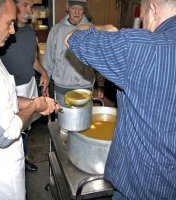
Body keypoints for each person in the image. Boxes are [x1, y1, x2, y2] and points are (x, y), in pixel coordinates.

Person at [65, 0, 176, 199]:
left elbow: (73, 37)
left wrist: (104, 28)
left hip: (143, 186)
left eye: (143, 18)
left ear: (154, 8)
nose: (143, 25)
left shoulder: (141, 47)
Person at [0, 0, 59, 199]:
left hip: (1, 165)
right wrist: (32, 109)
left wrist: (33, 103)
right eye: (8, 23)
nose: (13, 30)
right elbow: (2, 135)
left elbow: (6, 98)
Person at [0, 0, 49, 172]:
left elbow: (31, 59)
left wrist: (44, 72)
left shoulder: (29, 31)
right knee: (13, 130)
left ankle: (23, 158)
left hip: (30, 85)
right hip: (11, 91)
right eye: (26, 5)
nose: (30, 11)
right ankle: (14, 165)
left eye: (31, 6)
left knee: (27, 127)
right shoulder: (2, 32)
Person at [42, 0, 105, 105]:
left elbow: (99, 60)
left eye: (80, 9)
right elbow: (48, 60)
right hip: (61, 87)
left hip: (85, 88)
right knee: (63, 120)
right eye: (73, 8)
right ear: (67, 7)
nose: (76, 12)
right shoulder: (56, 30)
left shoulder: (92, 30)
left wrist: (101, 85)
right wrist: (45, 85)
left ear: (84, 9)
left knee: (84, 120)